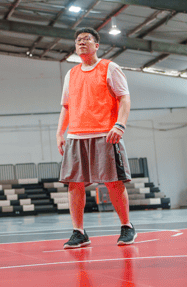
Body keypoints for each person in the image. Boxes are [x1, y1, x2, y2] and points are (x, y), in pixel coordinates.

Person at [56, 27, 135, 249]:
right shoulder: (71, 74)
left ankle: (126, 226)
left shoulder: (110, 68)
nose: (81, 42)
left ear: (96, 45)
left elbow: (124, 98)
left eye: (86, 39)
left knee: (113, 182)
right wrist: (60, 132)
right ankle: (79, 232)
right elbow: (66, 106)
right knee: (74, 184)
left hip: (105, 134)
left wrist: (120, 125)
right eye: (78, 40)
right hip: (76, 135)